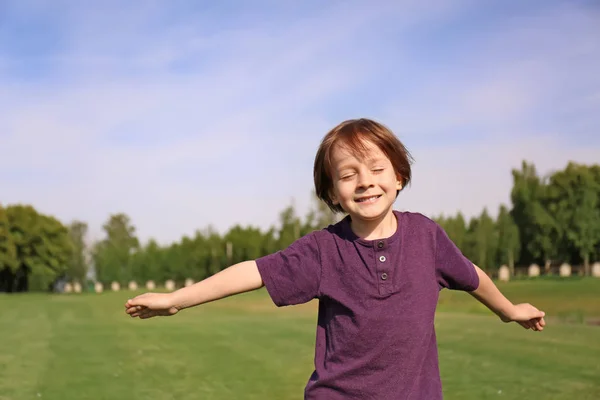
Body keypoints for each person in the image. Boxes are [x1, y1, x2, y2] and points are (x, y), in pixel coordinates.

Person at [125, 118, 546, 399]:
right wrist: (177, 298)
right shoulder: (323, 251)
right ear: (332, 193)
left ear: (399, 176)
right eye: (348, 175)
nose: (365, 182)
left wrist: (508, 310)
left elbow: (471, 276)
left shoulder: (426, 236)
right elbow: (253, 272)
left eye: (377, 169)